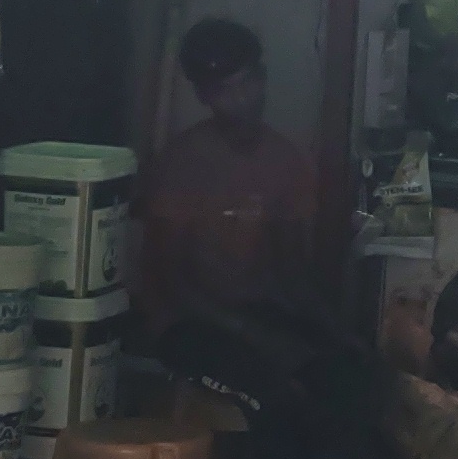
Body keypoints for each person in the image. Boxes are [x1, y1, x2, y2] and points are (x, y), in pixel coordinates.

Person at [135, 18, 321, 325]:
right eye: (225, 90)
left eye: (247, 82)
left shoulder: (286, 160)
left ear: (263, 77)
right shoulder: (181, 163)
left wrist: (335, 334)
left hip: (257, 316)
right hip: (186, 324)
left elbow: (293, 274)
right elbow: (168, 284)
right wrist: (254, 337)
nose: (242, 99)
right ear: (203, 96)